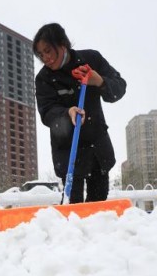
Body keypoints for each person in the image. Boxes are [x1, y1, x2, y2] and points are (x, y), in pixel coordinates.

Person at [33, 23, 126, 203]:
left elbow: (119, 88)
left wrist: (99, 81)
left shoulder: (91, 59)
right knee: (71, 206)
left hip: (97, 147)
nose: (46, 58)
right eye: (41, 55)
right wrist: (66, 113)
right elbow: (46, 112)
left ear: (62, 44)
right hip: (69, 151)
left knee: (98, 206)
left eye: (48, 51)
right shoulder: (44, 79)